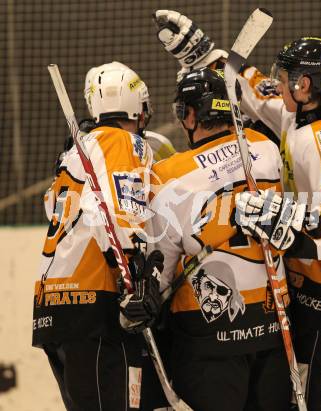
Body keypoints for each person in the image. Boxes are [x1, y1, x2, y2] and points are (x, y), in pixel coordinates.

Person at [153, 14, 321, 410]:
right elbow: (254, 92)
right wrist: (206, 55)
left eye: (285, 75)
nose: (277, 81)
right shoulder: (304, 116)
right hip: (320, 295)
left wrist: (294, 230)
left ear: (304, 84)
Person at [148, 67, 291, 411]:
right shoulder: (264, 147)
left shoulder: (168, 173)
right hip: (271, 325)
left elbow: (161, 266)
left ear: (190, 114)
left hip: (207, 332)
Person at [33, 62, 165, 411]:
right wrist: (135, 273)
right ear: (138, 107)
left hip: (56, 306)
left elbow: (53, 207)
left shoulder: (76, 151)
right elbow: (120, 208)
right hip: (96, 302)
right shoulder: (122, 141)